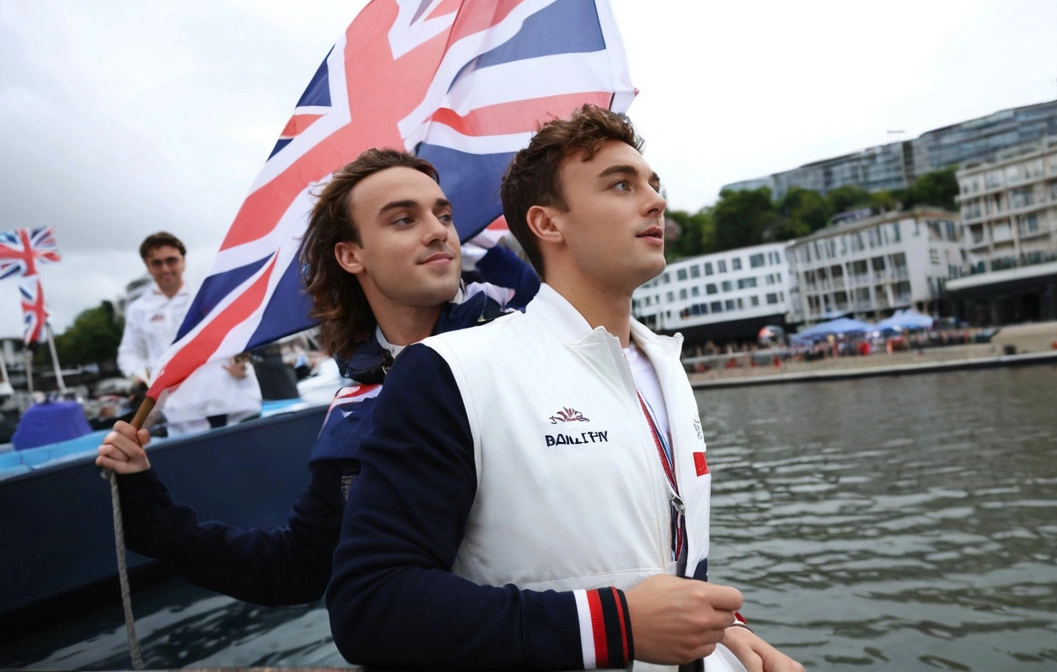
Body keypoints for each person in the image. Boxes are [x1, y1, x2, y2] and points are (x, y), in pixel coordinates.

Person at [326, 106, 803, 671]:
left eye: (654, 184)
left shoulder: (664, 363)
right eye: (621, 185)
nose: (655, 201)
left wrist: (724, 627)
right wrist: (616, 626)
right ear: (548, 224)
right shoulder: (448, 371)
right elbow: (371, 604)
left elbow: (654, 553)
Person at [94, 148, 540, 606]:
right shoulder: (354, 412)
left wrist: (510, 269)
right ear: (350, 255)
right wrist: (152, 514)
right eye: (404, 220)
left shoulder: (527, 341)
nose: (439, 232)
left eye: (443, 215)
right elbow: (297, 566)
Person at [117, 232, 261, 434]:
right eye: (157, 263)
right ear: (148, 266)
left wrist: (243, 361)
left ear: (183, 261)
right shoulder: (138, 310)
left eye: (171, 260)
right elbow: (128, 354)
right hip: (180, 410)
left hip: (231, 400)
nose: (165, 268)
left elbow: (241, 335)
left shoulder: (208, 297)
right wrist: (145, 375)